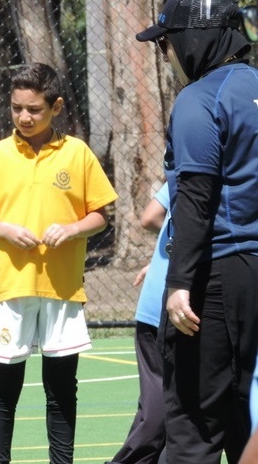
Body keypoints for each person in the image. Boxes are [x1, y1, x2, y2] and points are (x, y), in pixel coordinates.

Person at [0, 62, 118, 464]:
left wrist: (73, 228)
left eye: (34, 109)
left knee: (62, 388)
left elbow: (100, 215)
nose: (24, 117)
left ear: (56, 106)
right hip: (12, 287)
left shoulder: (77, 153)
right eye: (17, 108)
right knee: (4, 387)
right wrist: (7, 230)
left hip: (62, 287)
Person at [136, 0, 258, 463]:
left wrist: (180, 282)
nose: (165, 55)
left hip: (217, 274)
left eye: (166, 43)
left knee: (194, 423)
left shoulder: (199, 99)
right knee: (246, 421)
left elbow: (196, 197)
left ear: (192, 40)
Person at [107, 183, 169, 464]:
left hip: (159, 299)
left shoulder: (189, 162)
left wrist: (165, 255)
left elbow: (151, 217)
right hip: (184, 303)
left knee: (163, 402)